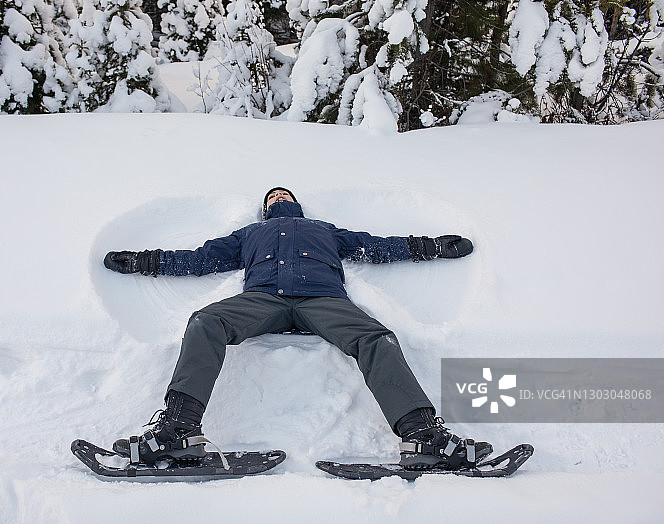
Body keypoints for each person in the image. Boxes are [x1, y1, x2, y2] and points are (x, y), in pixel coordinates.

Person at [103, 187, 490, 470]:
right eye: (271, 199)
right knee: (207, 321)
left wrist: (431, 247)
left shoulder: (325, 230)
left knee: (377, 337)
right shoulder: (250, 235)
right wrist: (144, 260)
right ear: (263, 211)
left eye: (282, 195)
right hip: (264, 300)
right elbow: (201, 258)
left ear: (298, 203)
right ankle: (179, 430)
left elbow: (377, 246)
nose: (278, 200)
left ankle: (421, 435)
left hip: (323, 301)